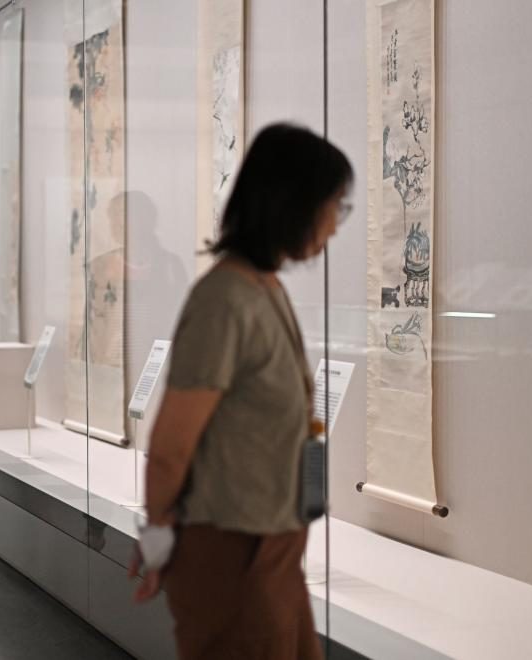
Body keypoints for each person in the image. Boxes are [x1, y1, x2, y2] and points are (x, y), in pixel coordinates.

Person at [130, 124, 353, 659]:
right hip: (230, 550)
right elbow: (171, 446)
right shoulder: (225, 299)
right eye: (334, 207)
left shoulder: (264, 287)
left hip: (272, 547)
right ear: (292, 205)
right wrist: (157, 544)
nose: (335, 225)